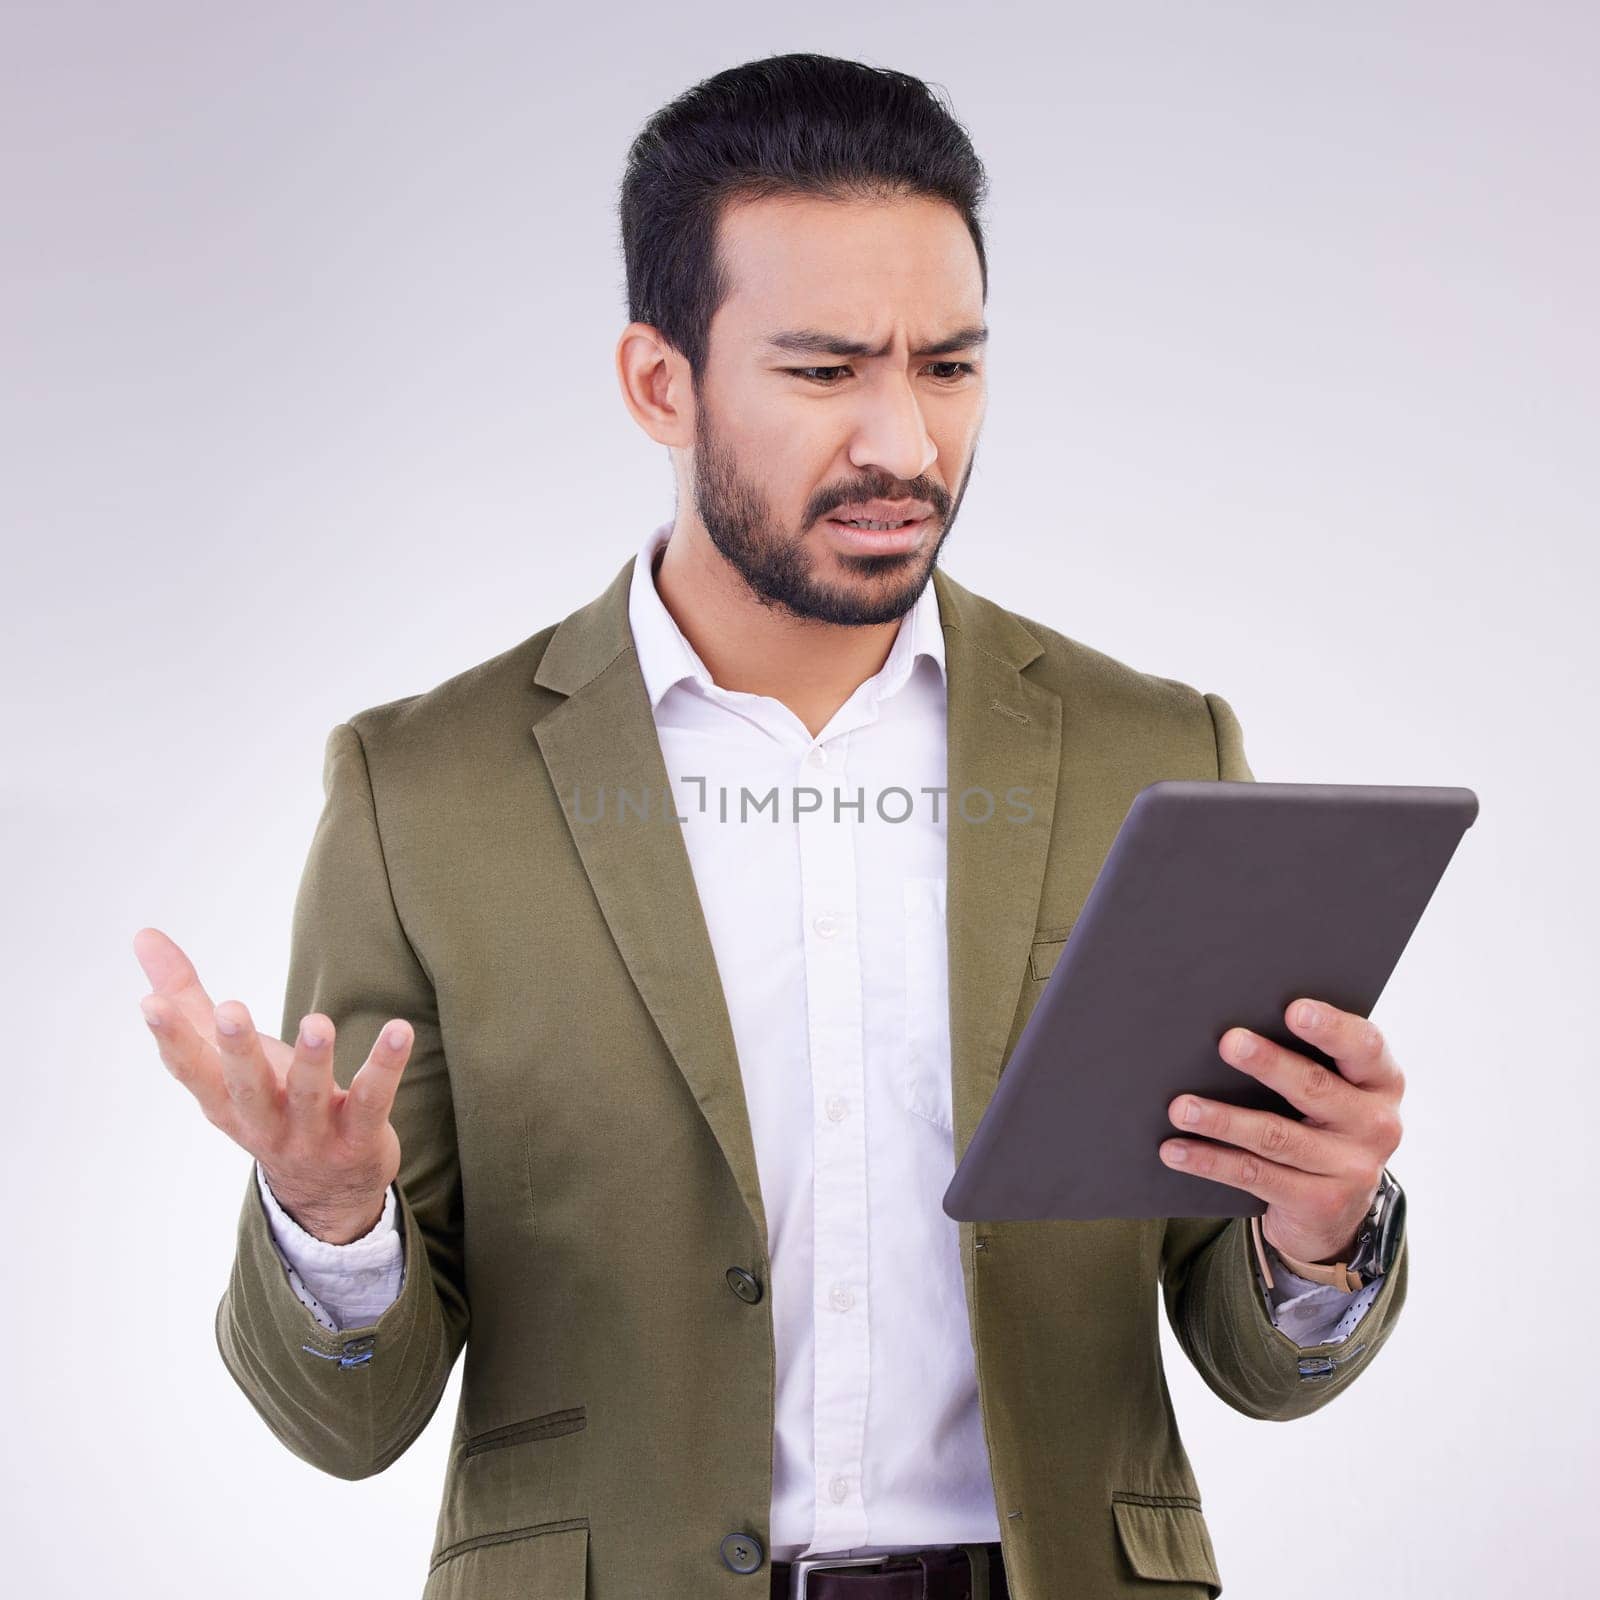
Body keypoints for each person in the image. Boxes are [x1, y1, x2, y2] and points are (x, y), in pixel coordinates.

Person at [133, 52, 1409, 1600]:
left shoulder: (1157, 750)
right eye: (824, 372)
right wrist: (330, 1223)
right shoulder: (427, 790)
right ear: (660, 382)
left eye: (948, 366)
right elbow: (352, 1423)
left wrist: (1318, 1227)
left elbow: (1253, 1356)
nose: (905, 444)